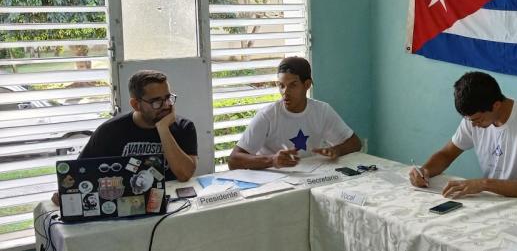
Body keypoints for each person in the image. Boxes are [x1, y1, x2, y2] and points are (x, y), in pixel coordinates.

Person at [52, 70, 198, 204]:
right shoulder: (109, 131)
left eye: (168, 98)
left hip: (170, 205)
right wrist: (65, 191)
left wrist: (163, 129)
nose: (166, 105)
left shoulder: (184, 127)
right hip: (123, 205)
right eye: (156, 102)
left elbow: (184, 174)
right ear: (136, 104)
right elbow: (79, 172)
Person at [408, 71, 517, 201]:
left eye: (477, 119)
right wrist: (425, 171)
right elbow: (447, 154)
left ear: (496, 105)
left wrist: (484, 184)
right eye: (469, 120)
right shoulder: (474, 118)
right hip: (491, 200)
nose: (473, 125)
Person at [228, 57, 362, 169]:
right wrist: (272, 160)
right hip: (276, 184)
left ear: (307, 85)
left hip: (310, 179)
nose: (285, 92)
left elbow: (355, 143)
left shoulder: (322, 111)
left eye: (292, 85)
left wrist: (336, 151)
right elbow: (233, 160)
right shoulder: (267, 115)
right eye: (281, 85)